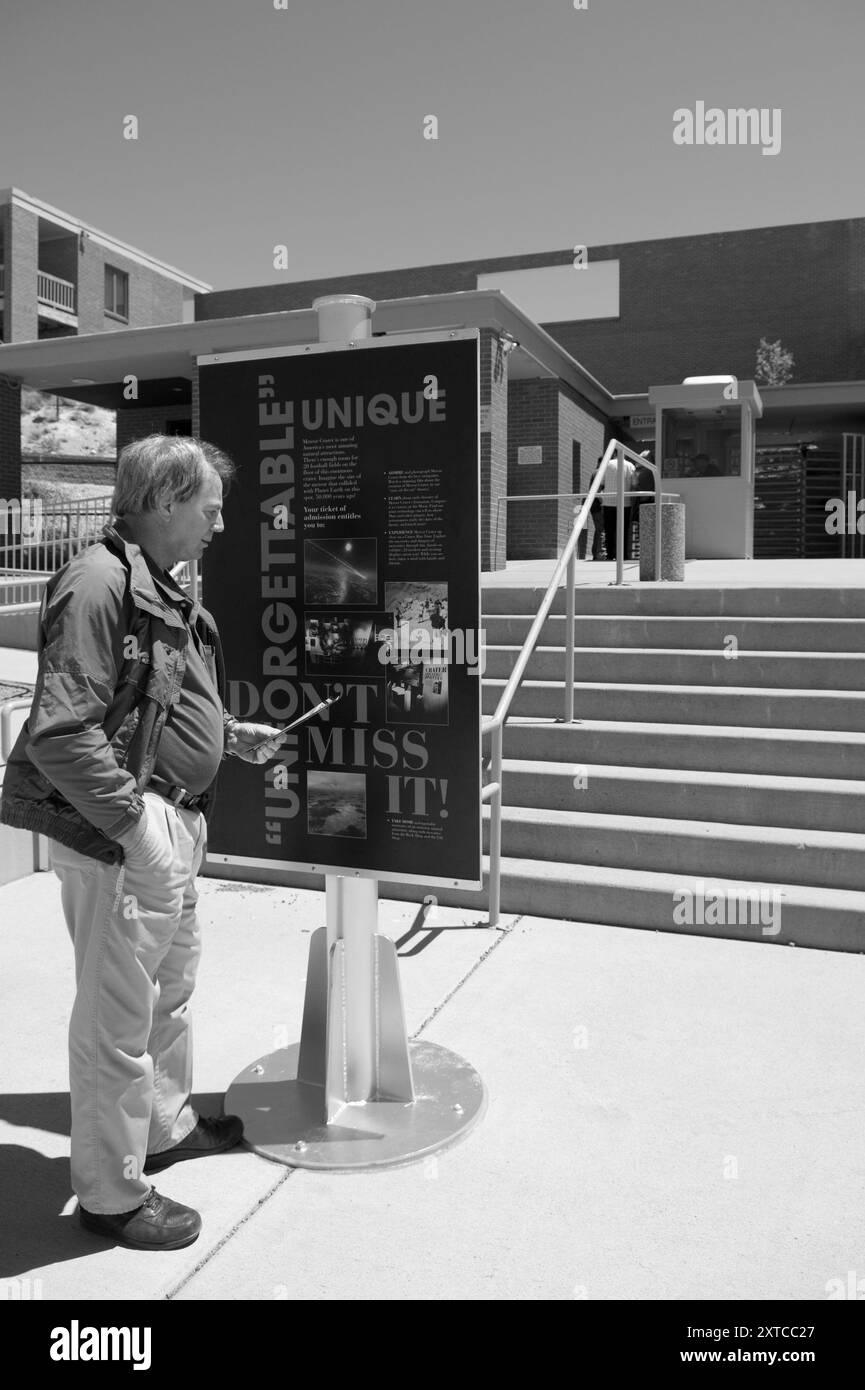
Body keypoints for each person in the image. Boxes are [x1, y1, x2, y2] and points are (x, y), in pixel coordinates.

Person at [0, 435, 288, 1251]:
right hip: (128, 831)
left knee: (169, 994)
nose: (221, 524)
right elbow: (60, 731)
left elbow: (153, 706)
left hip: (168, 818)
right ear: (163, 500)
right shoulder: (98, 580)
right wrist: (137, 831)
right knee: (114, 1020)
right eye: (210, 506)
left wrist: (230, 737)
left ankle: (162, 1131)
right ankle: (111, 1196)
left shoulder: (156, 584)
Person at [601, 451, 638, 560]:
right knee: (623, 530)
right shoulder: (630, 466)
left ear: (614, 454)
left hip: (608, 502)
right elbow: (635, 484)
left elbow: (601, 482)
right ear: (624, 454)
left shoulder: (607, 464)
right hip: (624, 503)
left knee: (609, 530)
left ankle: (610, 555)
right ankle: (622, 555)